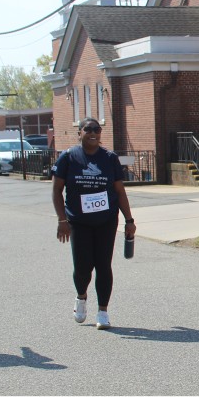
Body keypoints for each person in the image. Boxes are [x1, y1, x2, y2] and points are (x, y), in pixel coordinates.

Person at [52, 117, 136, 330]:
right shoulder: (68, 157)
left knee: (103, 266)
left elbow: (119, 191)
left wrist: (129, 220)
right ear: (79, 132)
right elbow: (56, 190)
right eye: (88, 129)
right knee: (83, 267)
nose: (93, 133)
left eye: (97, 129)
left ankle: (103, 311)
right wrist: (62, 220)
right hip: (78, 222)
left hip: (106, 220)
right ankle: (81, 297)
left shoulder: (109, 158)